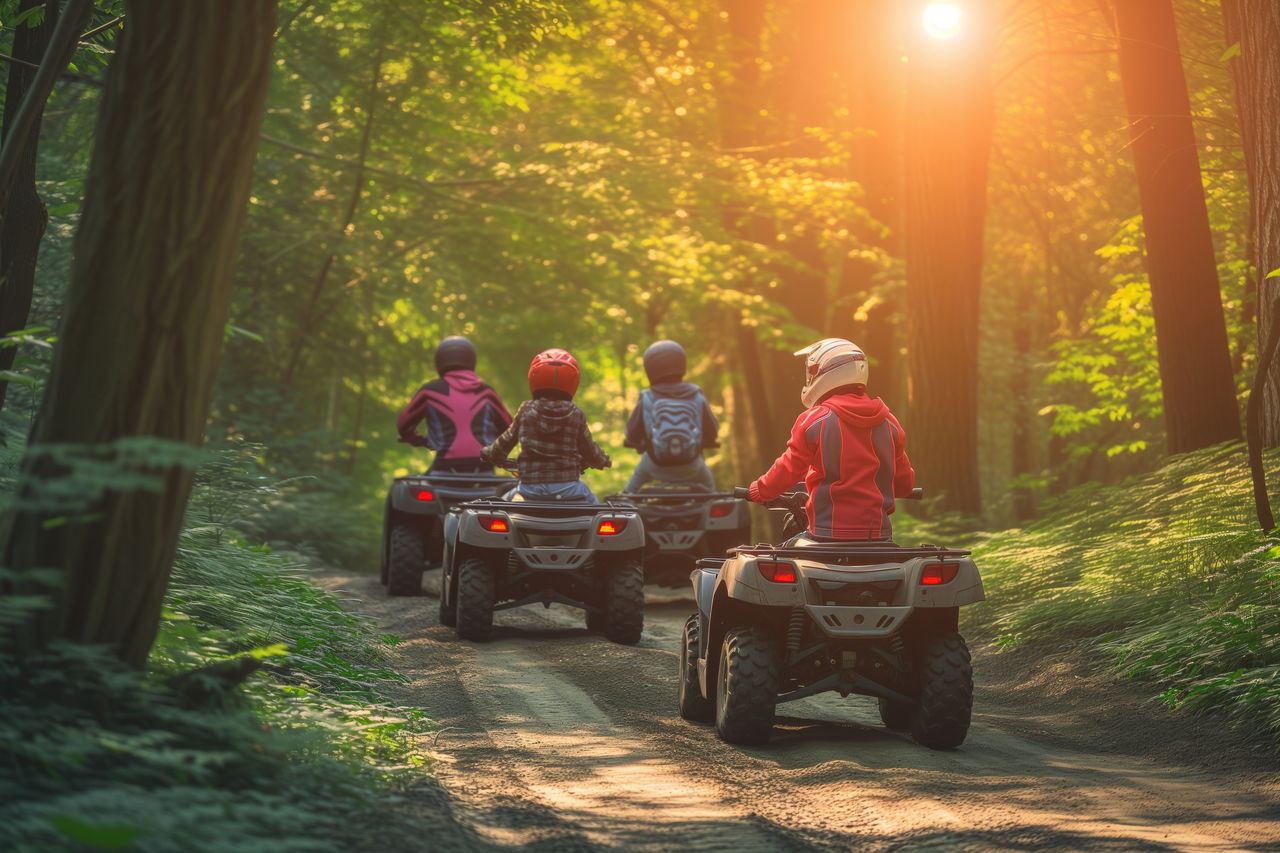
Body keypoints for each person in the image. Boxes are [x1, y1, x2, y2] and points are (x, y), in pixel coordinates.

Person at [747, 338, 915, 542]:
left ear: (826, 372)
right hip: (878, 537)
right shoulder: (890, 423)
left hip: (826, 535)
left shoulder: (815, 420)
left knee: (786, 551)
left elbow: (789, 467)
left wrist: (760, 489)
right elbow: (905, 485)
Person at [480, 348, 611, 502]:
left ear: (533, 378)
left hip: (529, 489)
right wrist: (602, 460)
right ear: (573, 381)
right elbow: (589, 451)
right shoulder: (576, 414)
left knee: (499, 506)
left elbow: (505, 442)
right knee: (598, 509)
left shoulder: (526, 410)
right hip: (569, 489)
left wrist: (490, 453)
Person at [396, 336, 512, 473]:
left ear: (439, 361)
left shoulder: (429, 392)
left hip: (445, 467)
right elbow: (509, 428)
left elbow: (403, 426)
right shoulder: (487, 392)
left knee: (401, 488)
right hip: (483, 468)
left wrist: (422, 441)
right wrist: (493, 444)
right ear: (471, 360)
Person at [623, 340, 719, 492]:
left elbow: (632, 433)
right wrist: (709, 440)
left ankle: (625, 508)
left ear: (650, 368)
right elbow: (712, 431)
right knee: (712, 496)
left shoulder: (647, 397)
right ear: (681, 364)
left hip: (654, 466)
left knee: (628, 496)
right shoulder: (696, 395)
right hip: (692, 467)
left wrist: (635, 442)